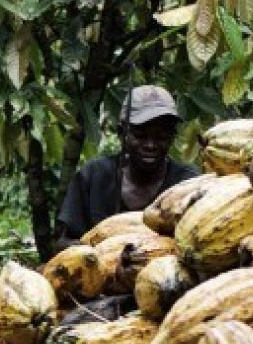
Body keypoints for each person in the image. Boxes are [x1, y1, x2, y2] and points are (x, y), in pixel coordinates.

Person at [54, 85, 200, 251]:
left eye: (161, 137)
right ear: (121, 132)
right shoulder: (94, 176)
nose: (150, 145)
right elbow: (62, 243)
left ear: (172, 137)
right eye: (140, 135)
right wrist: (96, 252)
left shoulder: (188, 184)